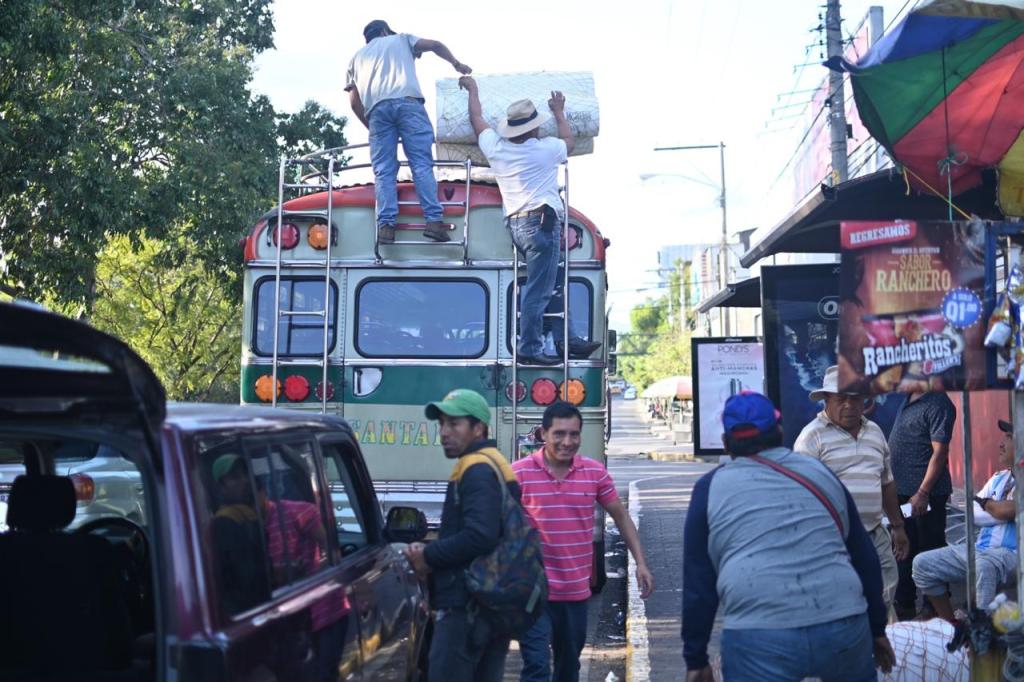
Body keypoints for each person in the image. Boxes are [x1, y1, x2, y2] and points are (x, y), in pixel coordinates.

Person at [682, 392, 894, 682]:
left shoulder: (709, 489)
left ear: (726, 442)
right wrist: (877, 629)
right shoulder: (820, 473)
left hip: (758, 635)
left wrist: (696, 658)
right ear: (779, 431)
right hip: (843, 625)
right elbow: (863, 556)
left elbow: (698, 582)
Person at [459, 75, 601, 365]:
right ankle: (530, 348)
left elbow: (476, 118)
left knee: (552, 282)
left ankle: (567, 339)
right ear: (533, 128)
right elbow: (570, 142)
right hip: (542, 224)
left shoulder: (496, 148)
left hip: (517, 226)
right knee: (539, 290)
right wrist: (560, 112)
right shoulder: (545, 149)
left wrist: (473, 90)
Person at [513, 401, 654, 682]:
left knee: (568, 667)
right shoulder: (518, 474)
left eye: (574, 434)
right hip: (532, 593)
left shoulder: (594, 472)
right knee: (537, 666)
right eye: (559, 434)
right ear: (543, 434)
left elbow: (621, 516)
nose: (567, 442)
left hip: (575, 593)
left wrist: (641, 562)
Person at [404, 389, 519, 681]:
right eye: (441, 424)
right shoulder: (496, 462)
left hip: (468, 606)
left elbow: (480, 536)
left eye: (454, 424)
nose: (444, 432)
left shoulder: (476, 469)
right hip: (492, 600)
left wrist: (426, 555)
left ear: (478, 427)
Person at [793, 365, 910, 611]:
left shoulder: (875, 432)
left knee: (885, 594)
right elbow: (801, 497)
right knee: (841, 600)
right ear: (826, 400)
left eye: (855, 399)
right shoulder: (811, 438)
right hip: (833, 538)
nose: (849, 405)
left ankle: (881, 642)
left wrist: (898, 527)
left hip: (875, 533)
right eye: (841, 399)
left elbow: (886, 482)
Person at [345, 20, 471, 244]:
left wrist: (373, 127)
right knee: (420, 163)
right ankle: (433, 222)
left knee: (383, 171)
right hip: (408, 105)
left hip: (377, 112)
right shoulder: (401, 39)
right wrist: (456, 63)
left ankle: (386, 227)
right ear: (385, 31)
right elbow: (435, 45)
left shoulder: (356, 58)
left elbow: (354, 102)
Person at [912, 418, 1017, 620]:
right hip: (979, 549)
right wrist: (1001, 512)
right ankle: (954, 625)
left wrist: (991, 506)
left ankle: (981, 635)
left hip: (1011, 555)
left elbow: (1006, 510)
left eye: (1009, 438)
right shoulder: (998, 478)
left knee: (984, 567)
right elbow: (972, 511)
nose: (1001, 444)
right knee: (921, 564)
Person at [887, 389, 956, 619]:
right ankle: (905, 603)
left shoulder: (937, 402)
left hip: (925, 496)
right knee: (905, 550)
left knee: (930, 550)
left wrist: (923, 492)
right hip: (903, 494)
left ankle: (934, 609)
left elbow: (940, 452)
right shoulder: (908, 400)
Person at [211, 454, 272, 616]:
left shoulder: (249, 514)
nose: (244, 481)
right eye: (235, 477)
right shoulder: (225, 521)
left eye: (245, 475)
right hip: (245, 612)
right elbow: (245, 578)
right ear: (220, 487)